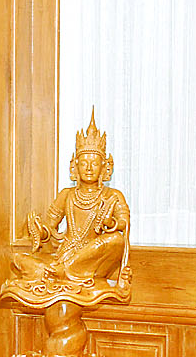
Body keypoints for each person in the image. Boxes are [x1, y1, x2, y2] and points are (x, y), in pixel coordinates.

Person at [8, 110, 130, 288]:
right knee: (18, 258)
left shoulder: (113, 196)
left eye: (94, 163)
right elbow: (49, 227)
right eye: (84, 163)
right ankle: (61, 271)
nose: (89, 168)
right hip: (65, 254)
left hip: (93, 259)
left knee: (116, 240)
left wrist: (110, 223)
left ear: (104, 168)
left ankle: (61, 272)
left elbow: (124, 223)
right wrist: (39, 230)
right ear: (75, 167)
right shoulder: (67, 194)